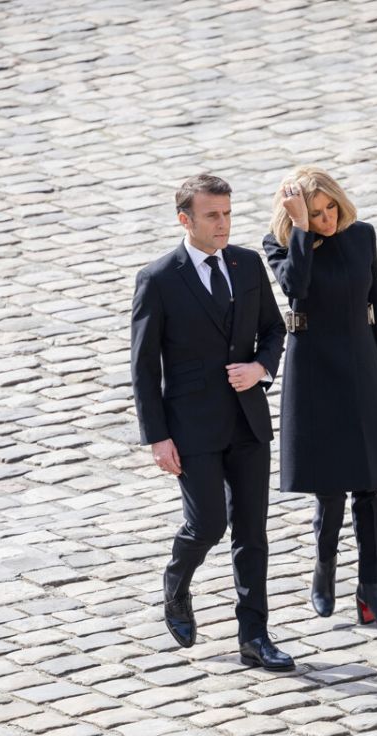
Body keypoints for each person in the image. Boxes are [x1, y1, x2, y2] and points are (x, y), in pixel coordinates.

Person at [131, 174, 294, 671]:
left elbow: (274, 327)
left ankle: (254, 636)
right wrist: (158, 437)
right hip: (191, 427)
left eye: (227, 214)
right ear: (185, 219)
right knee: (207, 525)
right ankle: (176, 582)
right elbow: (144, 367)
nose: (223, 224)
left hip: (247, 421)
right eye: (212, 216)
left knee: (252, 532)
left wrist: (261, 367)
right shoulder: (159, 278)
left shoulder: (246, 263)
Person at [262, 166, 377, 629]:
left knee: (369, 485)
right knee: (330, 489)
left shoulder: (362, 236)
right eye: (315, 213)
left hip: (361, 367)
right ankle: (324, 568)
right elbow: (296, 287)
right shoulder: (281, 244)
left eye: (330, 209)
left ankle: (372, 589)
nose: (326, 219)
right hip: (313, 372)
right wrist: (300, 229)